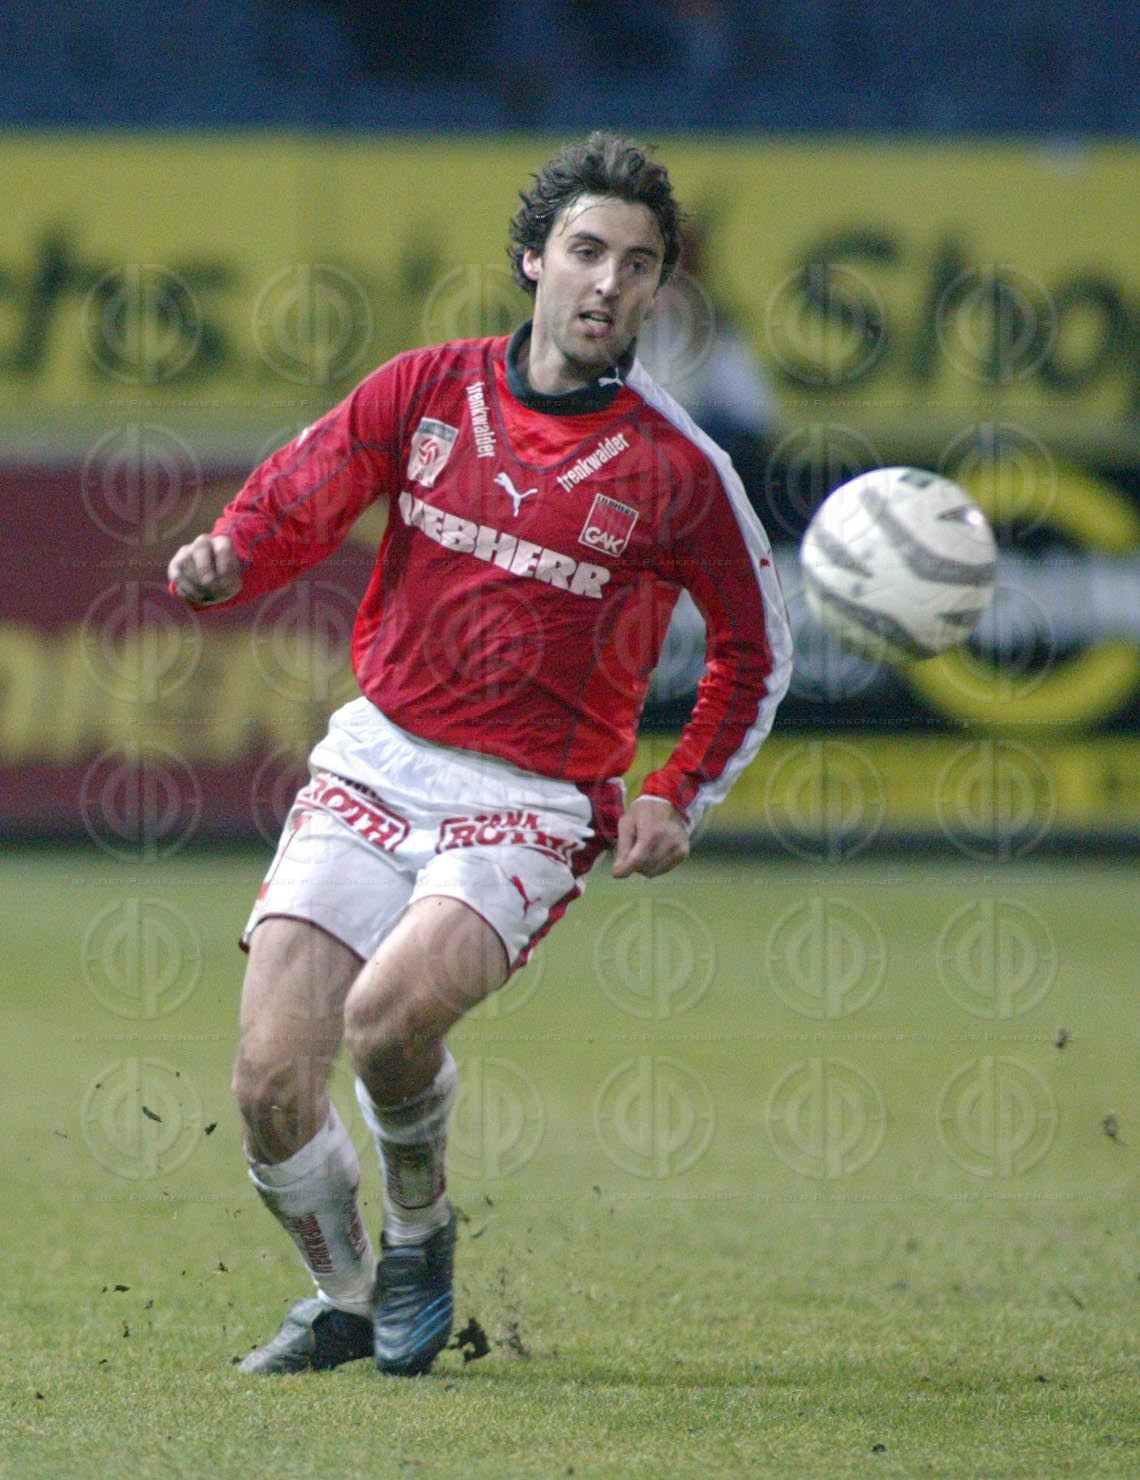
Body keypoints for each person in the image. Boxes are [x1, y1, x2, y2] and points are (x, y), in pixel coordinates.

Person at [167, 131, 793, 1377]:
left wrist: (677, 793)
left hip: (535, 798)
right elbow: (307, 487)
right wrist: (233, 552)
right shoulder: (427, 389)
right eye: (586, 252)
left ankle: (420, 1233)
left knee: (388, 1023)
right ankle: (346, 1296)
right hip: (378, 760)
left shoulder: (681, 469)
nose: (610, 283)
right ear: (533, 258)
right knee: (266, 1083)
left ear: (662, 288)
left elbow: (754, 649)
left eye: (639, 264)